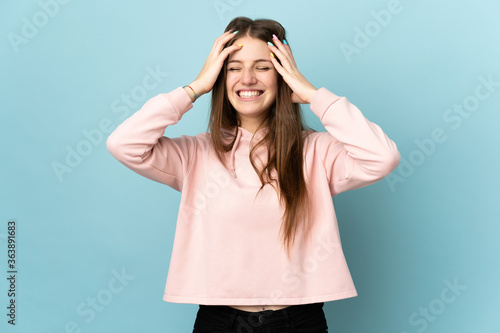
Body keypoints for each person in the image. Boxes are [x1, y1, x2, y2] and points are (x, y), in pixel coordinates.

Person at [107, 16, 401, 333]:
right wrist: (194, 88)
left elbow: (382, 157)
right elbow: (124, 144)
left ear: (282, 74)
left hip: (299, 322)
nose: (247, 78)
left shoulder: (316, 151)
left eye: (262, 66)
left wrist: (314, 94)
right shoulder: (195, 154)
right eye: (233, 67)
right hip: (220, 322)